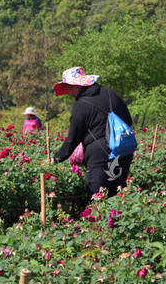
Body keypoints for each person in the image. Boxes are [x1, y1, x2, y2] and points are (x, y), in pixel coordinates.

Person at [50, 66, 133, 199]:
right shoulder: (110, 92)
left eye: (69, 87)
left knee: (98, 198)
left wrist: (56, 158)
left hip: (100, 157)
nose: (69, 92)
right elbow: (127, 120)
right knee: (118, 196)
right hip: (123, 152)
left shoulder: (81, 105)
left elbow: (73, 138)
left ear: (77, 86)